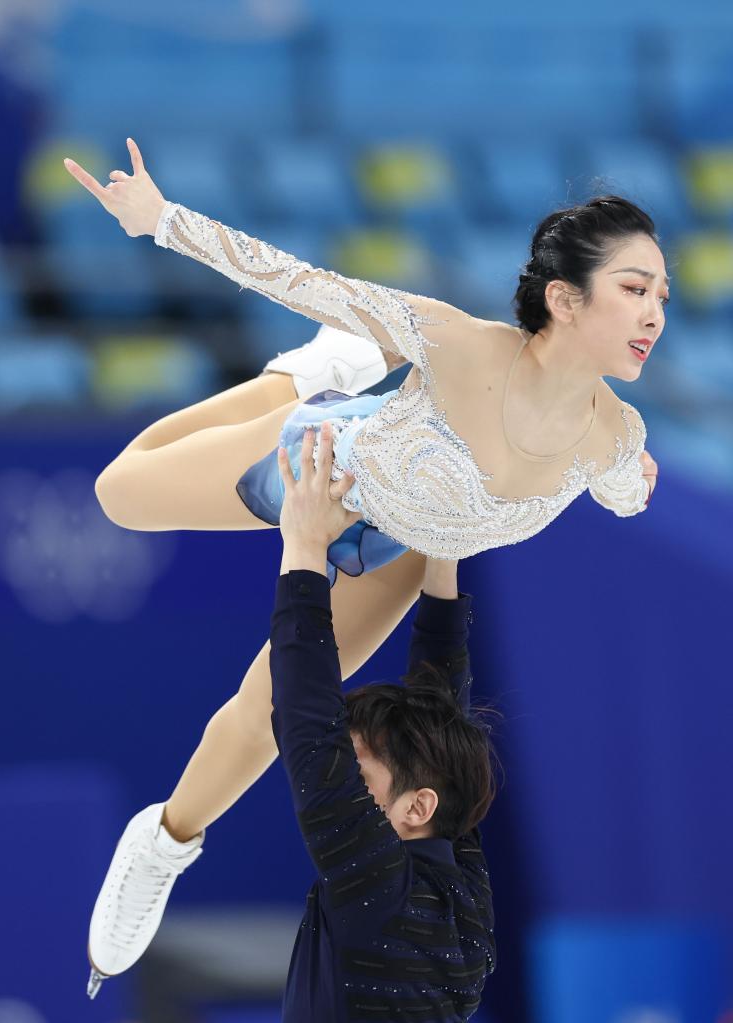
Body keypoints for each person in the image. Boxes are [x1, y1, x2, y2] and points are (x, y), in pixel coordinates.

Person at [65, 139, 661, 988]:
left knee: (276, 708)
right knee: (117, 493)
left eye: (661, 295)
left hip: (401, 549)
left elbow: (623, 492)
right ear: (564, 298)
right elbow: (303, 282)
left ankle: (164, 842)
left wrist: (636, 481)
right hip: (323, 469)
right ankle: (299, 379)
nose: (653, 314)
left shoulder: (615, 436)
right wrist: (161, 220)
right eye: (634, 290)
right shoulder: (458, 343)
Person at [92, 422, 499, 1021]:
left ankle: (293, 386)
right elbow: (358, 716)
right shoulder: (430, 888)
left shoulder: (433, 892)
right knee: (121, 491)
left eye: (357, 772)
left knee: (121, 491)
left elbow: (312, 722)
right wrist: (440, 549)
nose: (342, 782)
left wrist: (308, 544)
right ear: (421, 808)